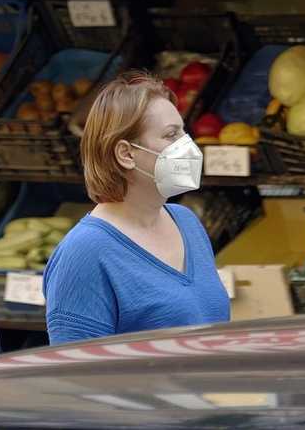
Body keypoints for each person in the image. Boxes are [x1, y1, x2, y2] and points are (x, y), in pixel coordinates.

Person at [43, 71, 230, 345]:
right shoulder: (84, 254)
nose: (187, 146)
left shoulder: (186, 223)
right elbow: (77, 377)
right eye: (171, 135)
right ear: (126, 154)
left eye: (184, 132)